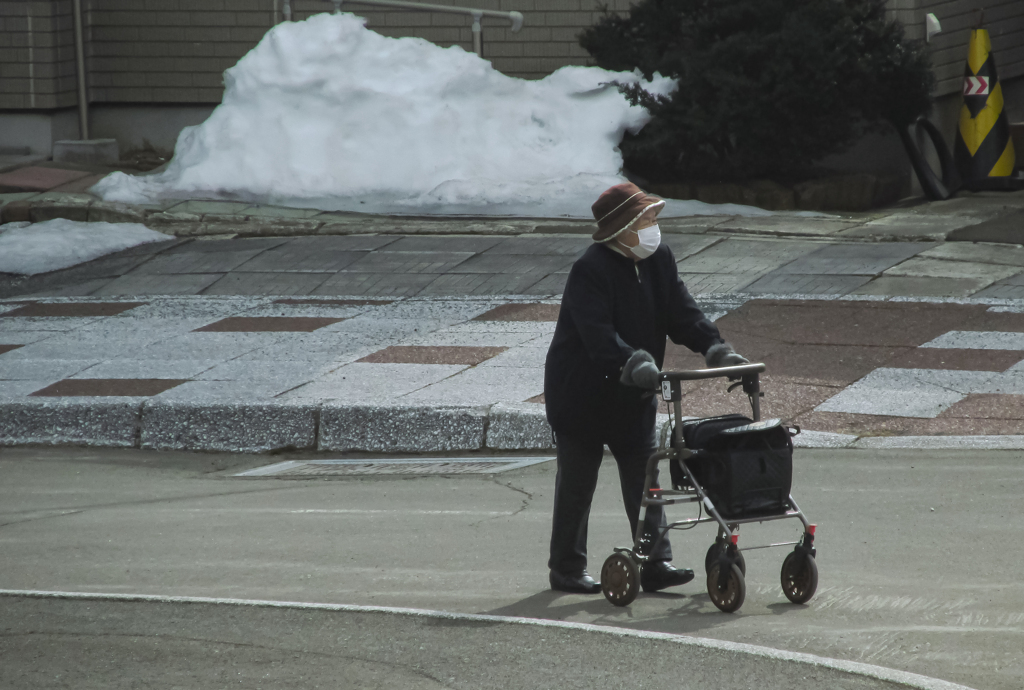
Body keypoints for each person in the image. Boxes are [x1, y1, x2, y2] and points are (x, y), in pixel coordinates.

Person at [544, 182, 749, 594]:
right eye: (647, 220)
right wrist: (634, 362)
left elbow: (682, 313)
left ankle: (655, 562)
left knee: (645, 479)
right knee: (578, 483)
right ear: (623, 229)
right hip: (581, 393)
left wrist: (715, 348)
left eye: (654, 219)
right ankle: (566, 568)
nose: (655, 228)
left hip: (633, 392)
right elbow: (597, 336)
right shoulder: (591, 269)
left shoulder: (659, 259)